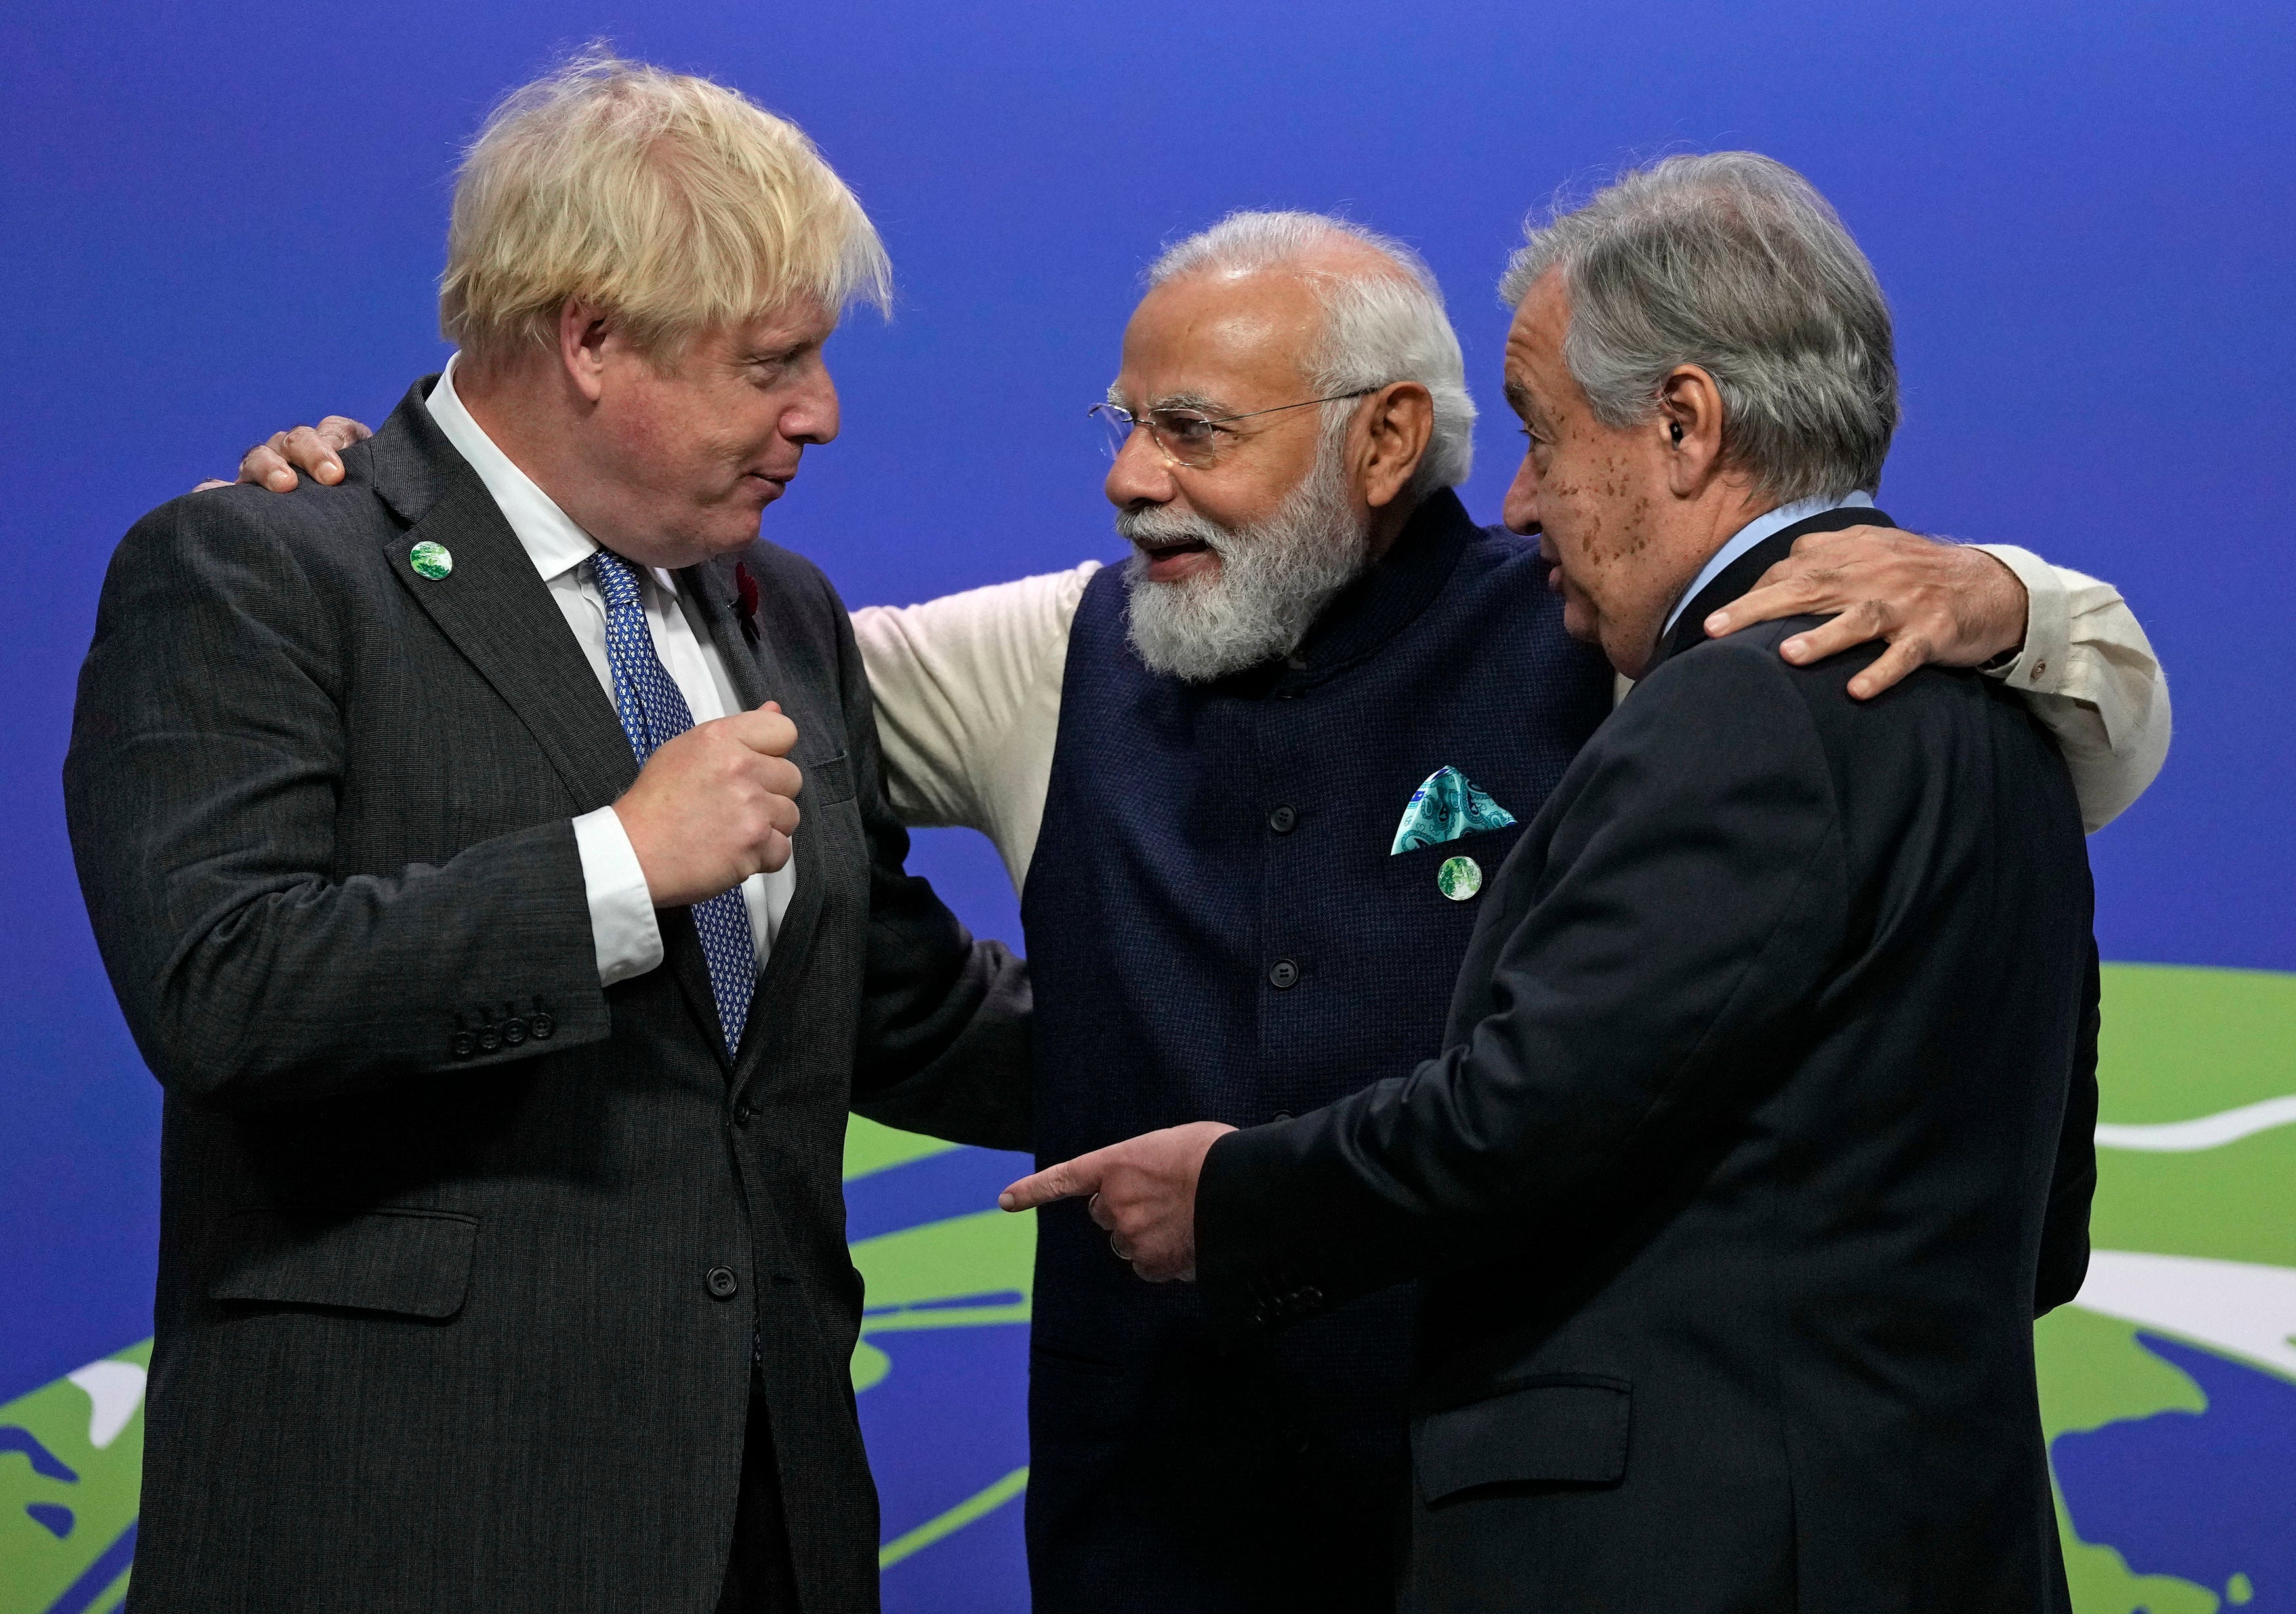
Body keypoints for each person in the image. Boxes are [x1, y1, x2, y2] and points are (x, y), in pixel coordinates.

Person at [234, 203, 2164, 1609]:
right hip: (1165, 1506)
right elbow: (634, 683)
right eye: (1121, 419)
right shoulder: (1037, 655)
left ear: (1385, 440)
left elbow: (1993, 725)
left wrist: (2010, 595)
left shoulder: (1634, 638)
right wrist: (415, 529)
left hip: (1516, 1501)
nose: (1127, 479)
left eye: (1192, 430)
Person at [1007, 155, 2105, 1612]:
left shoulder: (1732, 710)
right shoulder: (2013, 717)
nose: (1516, 502)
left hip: (1698, 1558)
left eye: (1538, 433)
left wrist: (1228, 1193)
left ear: (1685, 425)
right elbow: (2046, 1225)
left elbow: (1515, 1118)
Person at [65, 56, 1028, 1614]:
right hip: (402, 1526)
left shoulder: (784, 611)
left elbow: (887, 1007)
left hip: (765, 1527)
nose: (821, 416)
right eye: (771, 361)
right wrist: (618, 867)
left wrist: (1296, 1079)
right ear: (588, 337)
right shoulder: (259, 571)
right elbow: (221, 988)